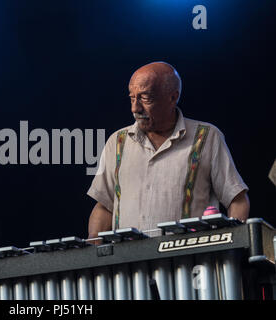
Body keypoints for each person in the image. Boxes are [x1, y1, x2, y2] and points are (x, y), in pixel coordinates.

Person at [87, 62, 250, 240]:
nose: (135, 108)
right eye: (132, 98)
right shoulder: (117, 142)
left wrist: (230, 243)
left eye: (145, 98)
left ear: (173, 97)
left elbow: (237, 199)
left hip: (191, 261)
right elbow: (104, 207)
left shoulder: (207, 137)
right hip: (128, 263)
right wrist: (95, 248)